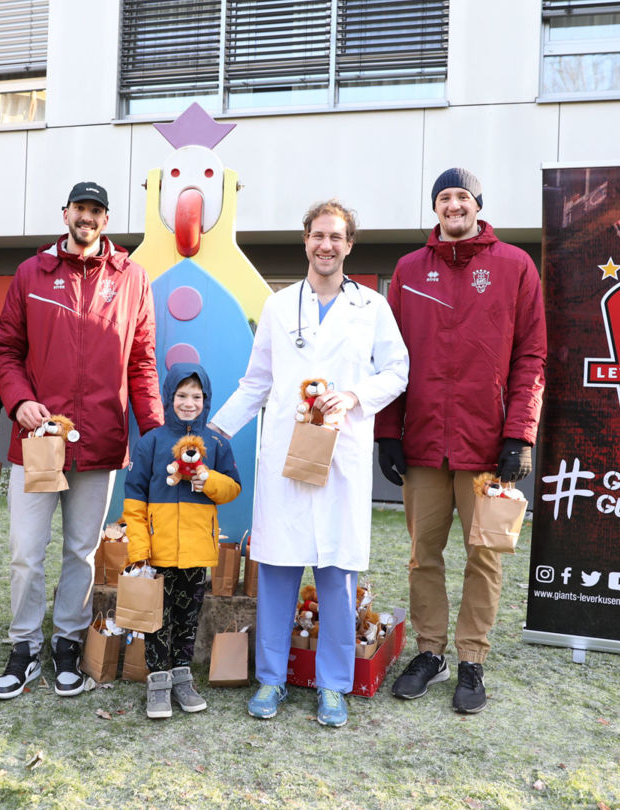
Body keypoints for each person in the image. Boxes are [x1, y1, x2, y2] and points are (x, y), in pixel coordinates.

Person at [209, 200, 408, 728]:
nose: (326, 245)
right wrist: (216, 430)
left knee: (338, 573)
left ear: (349, 245)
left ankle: (334, 686)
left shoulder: (372, 307)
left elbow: (397, 370)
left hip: (340, 455)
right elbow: (256, 382)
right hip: (286, 457)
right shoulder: (278, 307)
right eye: (318, 235)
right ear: (306, 241)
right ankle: (272, 680)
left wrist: (354, 396)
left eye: (336, 237)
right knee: (276, 568)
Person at [377, 168, 546, 714]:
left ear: (478, 205)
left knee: (485, 557)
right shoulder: (407, 270)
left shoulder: (515, 265)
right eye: (444, 197)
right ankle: (430, 653)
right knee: (423, 556)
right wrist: (388, 432)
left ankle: (472, 658)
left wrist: (519, 434)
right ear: (435, 208)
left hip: (487, 446)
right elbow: (391, 361)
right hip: (424, 442)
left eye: (463, 197)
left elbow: (531, 357)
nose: (454, 205)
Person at [0, 181, 163, 699]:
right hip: (39, 441)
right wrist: (19, 402)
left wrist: (153, 432)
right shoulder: (31, 274)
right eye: (79, 209)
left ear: (105, 220)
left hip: (101, 441)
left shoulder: (132, 278)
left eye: (95, 211)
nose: (86, 218)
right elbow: (5, 350)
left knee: (81, 552)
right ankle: (23, 647)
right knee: (25, 550)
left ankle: (67, 642)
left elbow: (143, 360)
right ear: (64, 213)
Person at [123, 363, 242, 719]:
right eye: (181, 395)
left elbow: (233, 489)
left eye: (196, 396)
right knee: (156, 620)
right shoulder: (151, 443)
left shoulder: (217, 443)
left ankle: (182, 679)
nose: (189, 403)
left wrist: (209, 481)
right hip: (157, 555)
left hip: (195, 552)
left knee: (187, 620)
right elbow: (134, 502)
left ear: (206, 400)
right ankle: (157, 683)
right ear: (169, 397)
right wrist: (140, 551)